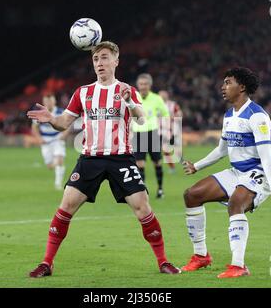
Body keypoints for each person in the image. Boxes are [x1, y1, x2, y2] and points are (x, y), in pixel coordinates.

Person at [27, 41, 180, 278]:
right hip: (90, 159)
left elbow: (141, 119)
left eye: (105, 57)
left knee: (143, 208)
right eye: (96, 59)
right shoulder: (83, 92)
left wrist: (129, 101)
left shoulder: (127, 90)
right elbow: (64, 123)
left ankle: (163, 262)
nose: (100, 63)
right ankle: (47, 263)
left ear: (116, 61)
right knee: (65, 206)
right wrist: (50, 119)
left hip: (121, 159)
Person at [181, 67, 271, 278]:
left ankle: (239, 266)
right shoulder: (229, 115)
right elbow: (222, 150)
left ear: (241, 87)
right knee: (192, 195)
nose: (223, 87)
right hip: (238, 171)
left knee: (236, 203)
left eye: (228, 82)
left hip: (260, 171)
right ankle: (201, 256)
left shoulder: (257, 116)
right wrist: (197, 165)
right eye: (224, 83)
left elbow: (266, 155)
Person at [132, 74, 170, 199]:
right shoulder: (133, 97)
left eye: (145, 84)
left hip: (152, 133)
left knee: (157, 163)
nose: (143, 86)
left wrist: (165, 129)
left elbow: (165, 113)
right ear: (138, 85)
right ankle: (143, 192)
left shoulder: (156, 98)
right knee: (140, 164)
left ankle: (160, 189)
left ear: (150, 85)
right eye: (141, 84)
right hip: (138, 133)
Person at [31, 94, 69, 190]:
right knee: (50, 166)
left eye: (50, 101)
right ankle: (55, 164)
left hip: (57, 139)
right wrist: (39, 139)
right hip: (45, 141)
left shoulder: (60, 112)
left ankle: (58, 184)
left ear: (54, 101)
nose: (48, 103)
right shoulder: (39, 113)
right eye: (46, 101)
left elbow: (67, 125)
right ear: (44, 102)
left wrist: (63, 135)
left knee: (60, 159)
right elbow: (34, 127)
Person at [159, 90, 183, 173]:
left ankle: (179, 157)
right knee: (165, 150)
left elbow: (180, 114)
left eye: (163, 95)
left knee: (177, 150)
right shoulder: (156, 105)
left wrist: (172, 116)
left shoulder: (173, 105)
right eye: (160, 95)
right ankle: (172, 168)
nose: (162, 97)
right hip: (163, 131)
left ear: (167, 96)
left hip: (174, 130)